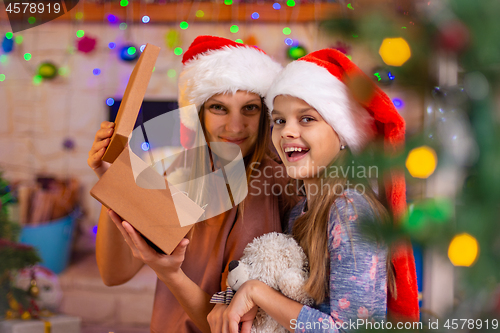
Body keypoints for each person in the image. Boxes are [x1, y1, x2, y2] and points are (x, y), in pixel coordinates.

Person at [87, 36, 299, 333]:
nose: (235, 126)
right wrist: (113, 180)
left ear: (265, 115)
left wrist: (171, 274)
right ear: (198, 115)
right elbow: (114, 273)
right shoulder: (182, 171)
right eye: (219, 108)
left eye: (249, 108)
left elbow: (234, 327)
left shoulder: (275, 184)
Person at [210, 49, 419, 333]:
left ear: (343, 134)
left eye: (306, 119)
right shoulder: (299, 211)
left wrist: (256, 292)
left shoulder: (350, 210)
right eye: (280, 120)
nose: (286, 132)